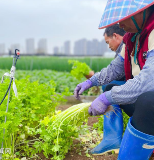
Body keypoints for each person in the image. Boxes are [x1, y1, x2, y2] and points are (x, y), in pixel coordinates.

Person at [74, 0, 154, 159]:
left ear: (140, 12)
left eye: (123, 18)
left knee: (148, 101)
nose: (120, 24)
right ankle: (114, 140)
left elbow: (148, 82)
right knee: (112, 88)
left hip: (149, 98)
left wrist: (106, 98)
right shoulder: (132, 38)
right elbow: (115, 68)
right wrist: (92, 81)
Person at [84, 24, 126, 156]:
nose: (108, 46)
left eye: (108, 42)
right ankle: (112, 138)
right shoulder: (124, 48)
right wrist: (92, 80)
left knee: (109, 87)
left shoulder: (128, 45)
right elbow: (113, 72)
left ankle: (112, 138)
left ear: (115, 36)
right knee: (108, 86)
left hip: (143, 91)